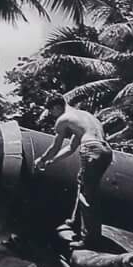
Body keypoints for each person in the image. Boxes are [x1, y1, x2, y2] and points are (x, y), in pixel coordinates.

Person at [36, 92, 113, 247]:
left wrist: (42, 159)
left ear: (57, 107)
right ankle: (74, 222)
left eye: (51, 111)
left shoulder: (63, 120)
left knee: (87, 195)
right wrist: (52, 160)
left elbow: (55, 145)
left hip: (91, 150)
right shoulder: (84, 116)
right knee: (83, 185)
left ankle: (89, 239)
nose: (51, 114)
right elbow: (71, 148)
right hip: (105, 151)